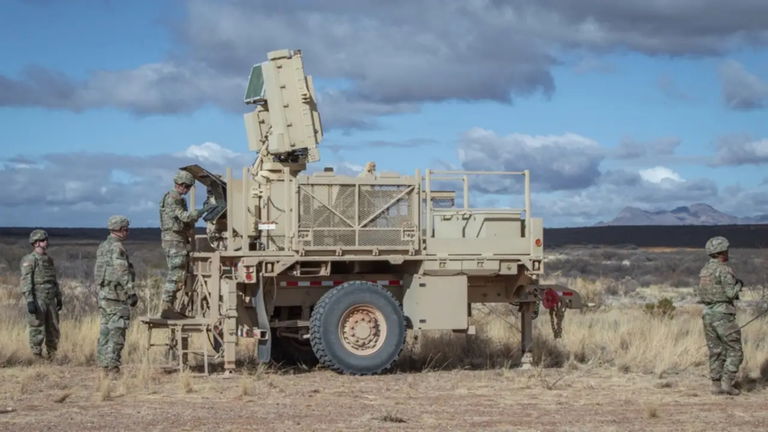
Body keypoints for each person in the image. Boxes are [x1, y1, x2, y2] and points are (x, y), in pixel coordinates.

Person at [159, 170, 213, 318]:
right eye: (188, 187)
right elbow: (184, 216)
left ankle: (171, 307)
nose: (188, 190)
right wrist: (203, 210)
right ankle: (166, 307)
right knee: (176, 274)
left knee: (179, 274)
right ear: (182, 185)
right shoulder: (173, 198)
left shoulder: (176, 198)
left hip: (177, 239)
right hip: (174, 240)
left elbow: (185, 221)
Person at [697, 236, 744, 395]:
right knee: (735, 350)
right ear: (722, 251)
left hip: (707, 314)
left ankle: (715, 385)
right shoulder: (724, 269)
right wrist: (739, 285)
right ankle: (727, 384)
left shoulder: (704, 270)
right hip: (723, 314)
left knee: (715, 350)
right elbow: (730, 293)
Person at [94, 215, 138, 375]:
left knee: (105, 330)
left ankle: (103, 364)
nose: (127, 232)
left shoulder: (103, 246)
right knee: (117, 331)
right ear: (120, 230)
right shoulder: (117, 247)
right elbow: (122, 271)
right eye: (126, 229)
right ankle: (112, 367)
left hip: (104, 295)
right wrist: (131, 291)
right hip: (116, 296)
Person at [20, 229, 61, 359]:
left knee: (53, 327)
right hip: (38, 297)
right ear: (36, 243)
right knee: (37, 327)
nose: (46, 242)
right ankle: (37, 355)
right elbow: (26, 280)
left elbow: (54, 280)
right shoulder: (30, 260)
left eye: (46, 239)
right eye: (43, 240)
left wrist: (59, 297)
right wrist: (30, 300)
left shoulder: (49, 259)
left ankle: (52, 355)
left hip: (50, 298)